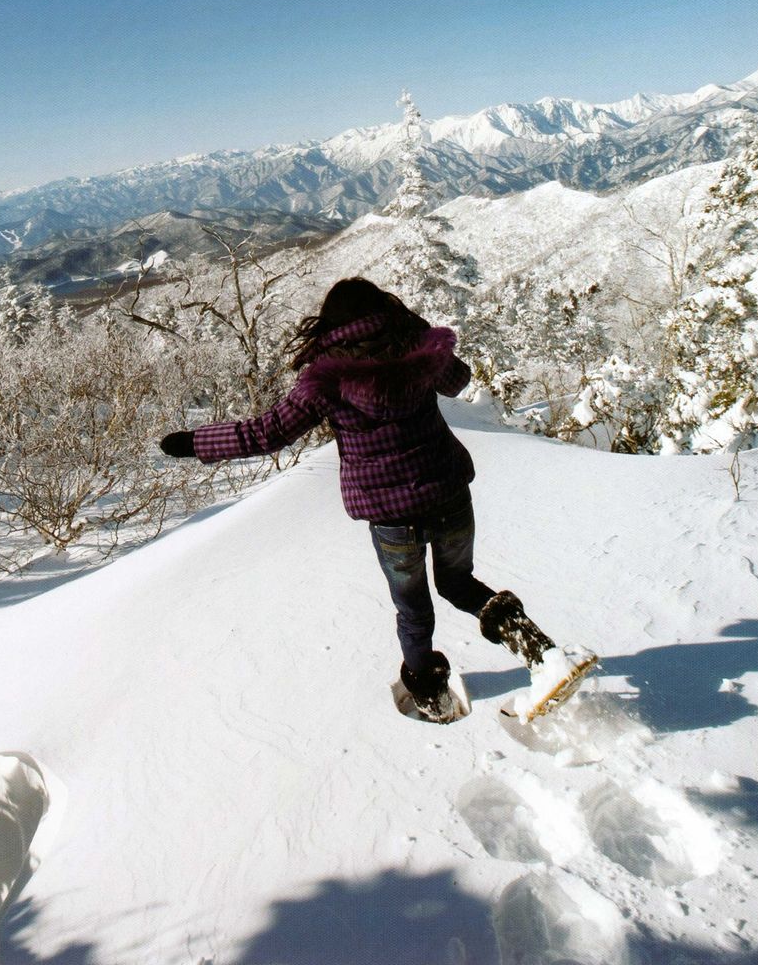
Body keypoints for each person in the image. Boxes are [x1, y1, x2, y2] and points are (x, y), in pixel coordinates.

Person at [160, 276, 559, 723]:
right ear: (386, 309)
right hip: (447, 493)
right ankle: (539, 650)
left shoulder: (326, 378)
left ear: (329, 324)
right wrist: (421, 333)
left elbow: (267, 433)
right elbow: (458, 381)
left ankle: (430, 694)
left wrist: (196, 442)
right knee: (459, 583)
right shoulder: (415, 351)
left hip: (392, 518)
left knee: (413, 610)